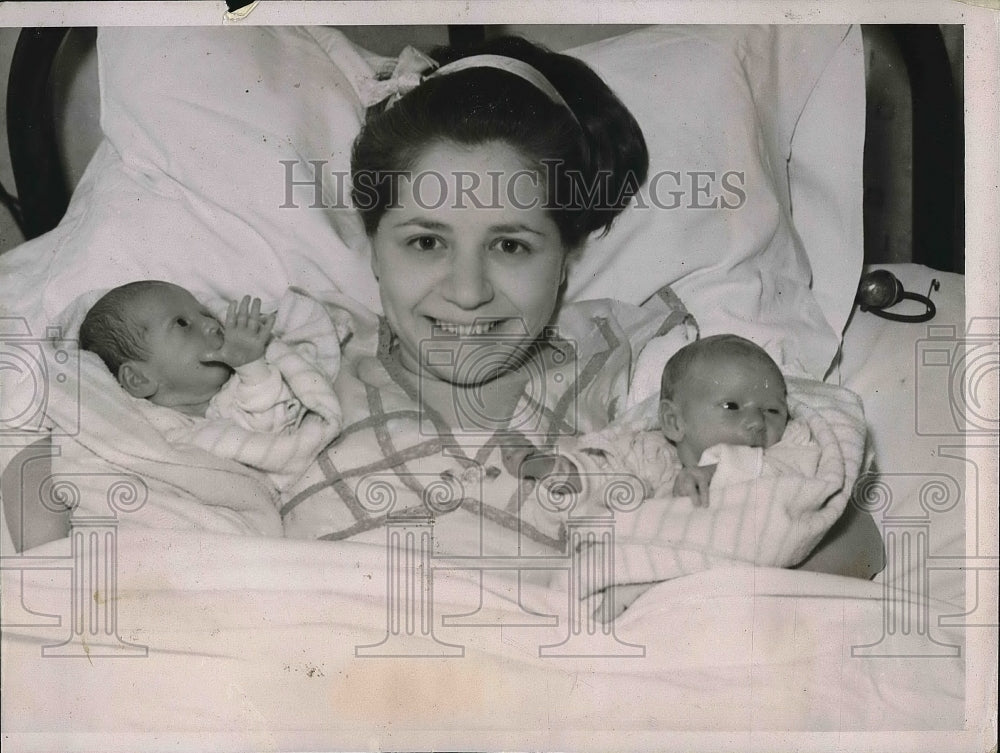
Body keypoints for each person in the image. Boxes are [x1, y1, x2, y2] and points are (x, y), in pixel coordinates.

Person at [284, 35, 882, 588]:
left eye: (510, 245)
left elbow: (849, 545)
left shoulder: (629, 369)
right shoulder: (301, 365)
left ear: (566, 257)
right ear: (375, 249)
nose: (467, 292)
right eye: (426, 242)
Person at [80, 280, 299, 430]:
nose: (212, 323)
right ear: (139, 378)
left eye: (206, 313)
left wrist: (251, 366)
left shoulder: (239, 390)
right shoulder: (147, 428)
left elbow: (276, 427)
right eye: (182, 323)